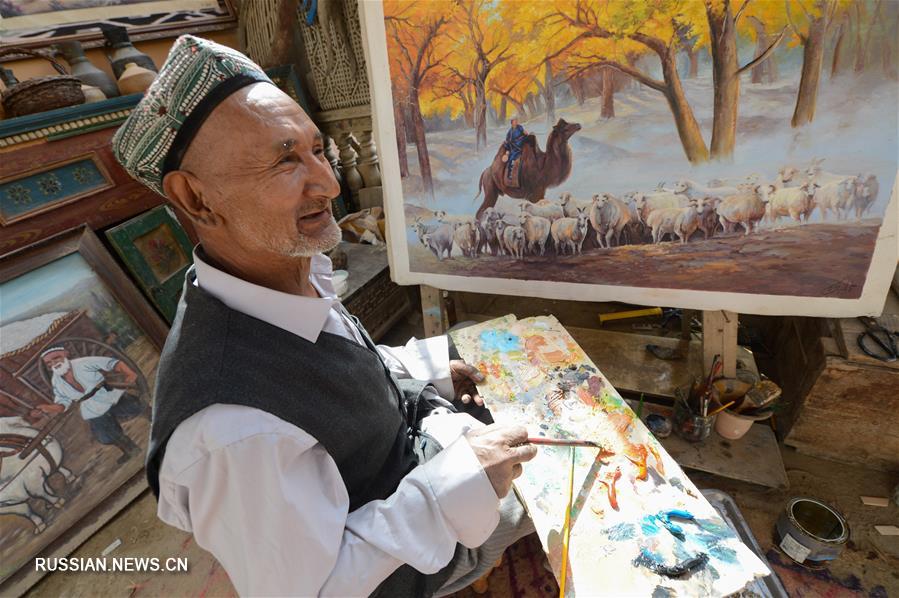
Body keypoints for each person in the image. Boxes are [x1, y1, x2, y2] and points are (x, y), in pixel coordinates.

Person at [111, 35, 538, 596]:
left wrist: (426, 368)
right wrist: (461, 480)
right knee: (565, 499)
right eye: (285, 160)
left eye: (319, 149)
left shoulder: (285, 274)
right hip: (415, 556)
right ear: (195, 199)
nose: (331, 184)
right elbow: (314, 588)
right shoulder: (231, 434)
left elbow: (325, 371)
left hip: (419, 448)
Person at [38, 347, 144, 464]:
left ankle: (156, 418)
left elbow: (113, 363)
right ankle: (131, 450)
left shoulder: (83, 363)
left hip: (106, 395)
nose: (54, 363)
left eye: (56, 358)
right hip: (91, 407)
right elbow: (63, 404)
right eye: (49, 363)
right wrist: (49, 408)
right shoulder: (56, 381)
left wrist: (129, 373)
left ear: (65, 354)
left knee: (136, 407)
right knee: (105, 436)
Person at [503, 118, 529, 183]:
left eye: (516, 121)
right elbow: (508, 140)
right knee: (511, 159)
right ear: (512, 123)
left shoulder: (519, 127)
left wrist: (525, 133)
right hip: (514, 148)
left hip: (521, 145)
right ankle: (510, 174)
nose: (516, 122)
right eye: (514, 121)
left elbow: (524, 132)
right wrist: (507, 148)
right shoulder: (510, 132)